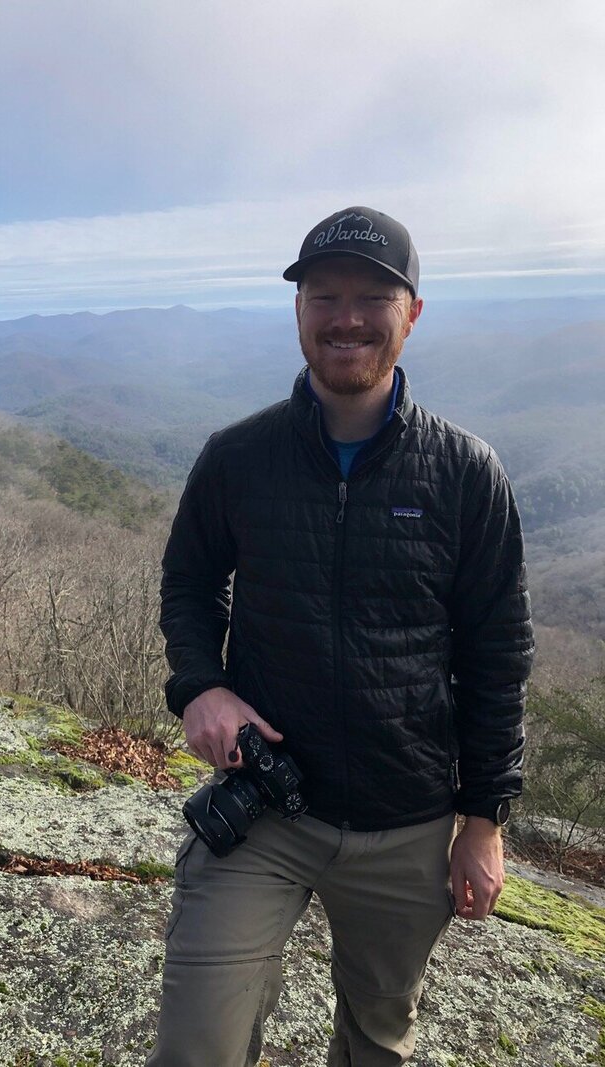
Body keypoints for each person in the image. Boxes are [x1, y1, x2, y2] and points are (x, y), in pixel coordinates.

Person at [148, 207, 534, 1067]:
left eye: (371, 297)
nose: (346, 317)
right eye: (324, 296)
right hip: (263, 809)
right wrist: (200, 685)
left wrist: (484, 819)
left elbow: (497, 654)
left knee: (375, 1040)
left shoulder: (466, 473)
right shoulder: (238, 457)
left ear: (413, 313)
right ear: (298, 311)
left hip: (408, 823)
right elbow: (187, 583)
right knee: (195, 1046)